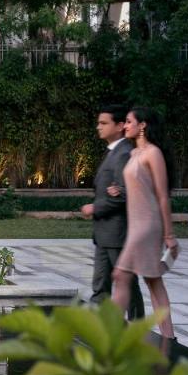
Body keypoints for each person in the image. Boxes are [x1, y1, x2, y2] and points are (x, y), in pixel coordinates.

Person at [113, 106, 179, 339]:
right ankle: (169, 337)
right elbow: (138, 186)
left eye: (129, 121)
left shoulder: (153, 153)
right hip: (136, 225)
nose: (126, 125)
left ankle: (111, 332)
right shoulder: (133, 155)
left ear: (143, 125)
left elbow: (162, 195)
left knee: (122, 274)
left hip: (149, 226)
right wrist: (117, 190)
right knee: (152, 280)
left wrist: (169, 235)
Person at [82, 105, 145, 319]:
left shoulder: (123, 154)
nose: (98, 127)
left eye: (104, 123)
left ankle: (137, 326)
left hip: (117, 232)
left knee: (126, 283)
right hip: (103, 233)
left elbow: (125, 194)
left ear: (119, 126)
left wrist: (95, 207)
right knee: (100, 285)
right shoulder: (113, 152)